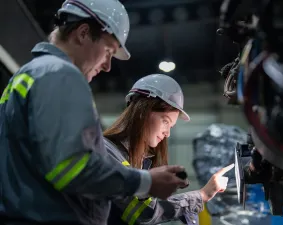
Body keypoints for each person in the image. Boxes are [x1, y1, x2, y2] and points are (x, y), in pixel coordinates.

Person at [0, 0, 187, 224]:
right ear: (83, 33)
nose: (108, 65)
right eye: (108, 50)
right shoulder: (61, 75)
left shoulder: (27, 75)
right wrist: (145, 182)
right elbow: (71, 168)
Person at [103, 74, 235, 225]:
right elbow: (143, 212)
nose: (168, 133)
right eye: (165, 121)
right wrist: (201, 195)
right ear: (142, 111)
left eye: (170, 126)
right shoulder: (106, 152)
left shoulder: (141, 162)